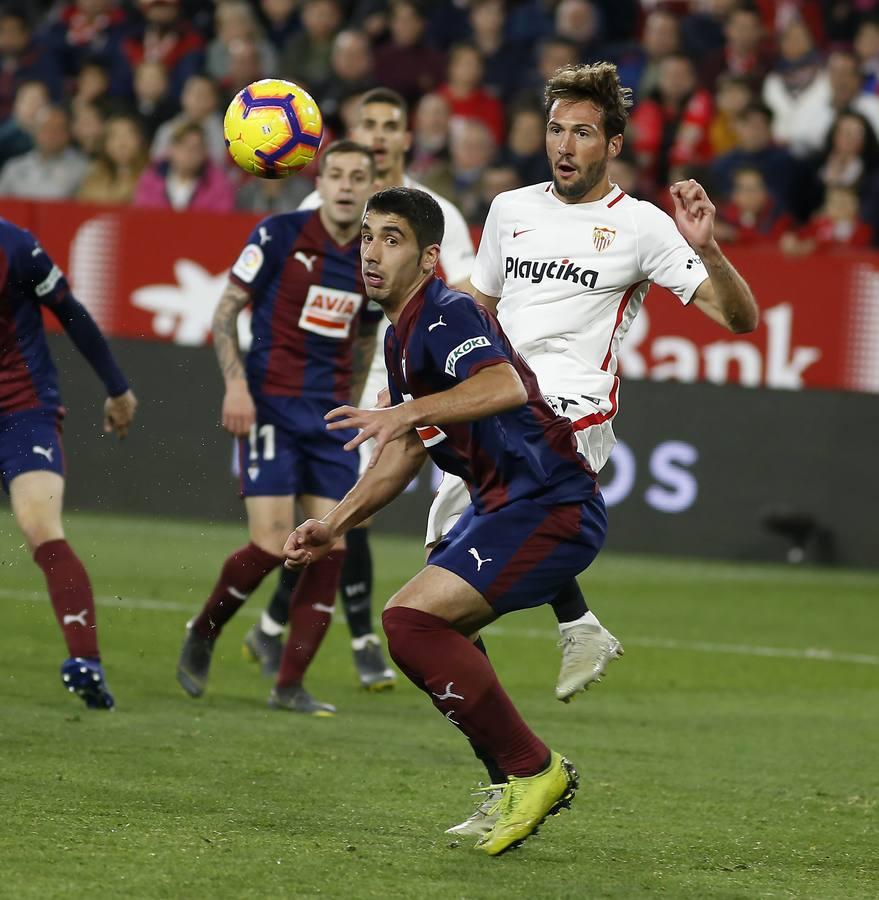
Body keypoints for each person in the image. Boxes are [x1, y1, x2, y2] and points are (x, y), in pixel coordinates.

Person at [428, 61, 759, 835]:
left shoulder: (640, 225)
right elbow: (480, 303)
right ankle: (514, 774)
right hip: (497, 406)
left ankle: (573, 622)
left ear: (611, 143)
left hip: (572, 412)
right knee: (440, 621)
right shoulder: (509, 209)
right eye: (555, 129)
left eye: (582, 132)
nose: (564, 145)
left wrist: (708, 250)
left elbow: (738, 320)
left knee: (497, 521)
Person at [284, 186, 604, 856]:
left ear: (429, 257)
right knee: (431, 630)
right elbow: (405, 450)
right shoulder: (400, 333)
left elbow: (505, 385)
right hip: (504, 506)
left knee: (410, 623)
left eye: (391, 239)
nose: (372, 253)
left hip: (549, 504)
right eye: (367, 237)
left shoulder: (447, 313)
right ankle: (511, 781)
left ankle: (534, 769)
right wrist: (335, 523)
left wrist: (402, 411)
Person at [245, 87, 476, 691]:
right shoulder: (318, 203)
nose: (377, 134)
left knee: (353, 510)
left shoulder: (438, 213)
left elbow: (470, 291)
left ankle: (282, 625)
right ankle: (350, 640)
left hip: (405, 372)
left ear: (405, 139)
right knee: (345, 511)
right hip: (336, 377)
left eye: (389, 125)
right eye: (367, 122)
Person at [176, 141, 381, 715]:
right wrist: (236, 386)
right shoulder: (278, 234)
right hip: (271, 407)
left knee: (329, 545)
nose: (345, 185)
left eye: (357, 177)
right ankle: (204, 630)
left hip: (330, 417)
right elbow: (226, 311)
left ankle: (289, 685)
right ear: (321, 181)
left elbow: (367, 337)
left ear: (371, 188)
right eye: (336, 174)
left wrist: (354, 401)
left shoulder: (372, 257)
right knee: (271, 543)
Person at [0, 217, 137, 709]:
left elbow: (70, 312)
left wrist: (117, 387)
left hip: (23, 409)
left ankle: (86, 662)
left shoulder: (15, 246)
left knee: (40, 525)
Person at [134, 122, 236, 212]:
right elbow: (143, 216)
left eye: (196, 147)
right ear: (171, 148)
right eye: (182, 145)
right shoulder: (150, 179)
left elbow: (221, 221)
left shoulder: (219, 185)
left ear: (204, 152)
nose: (188, 152)